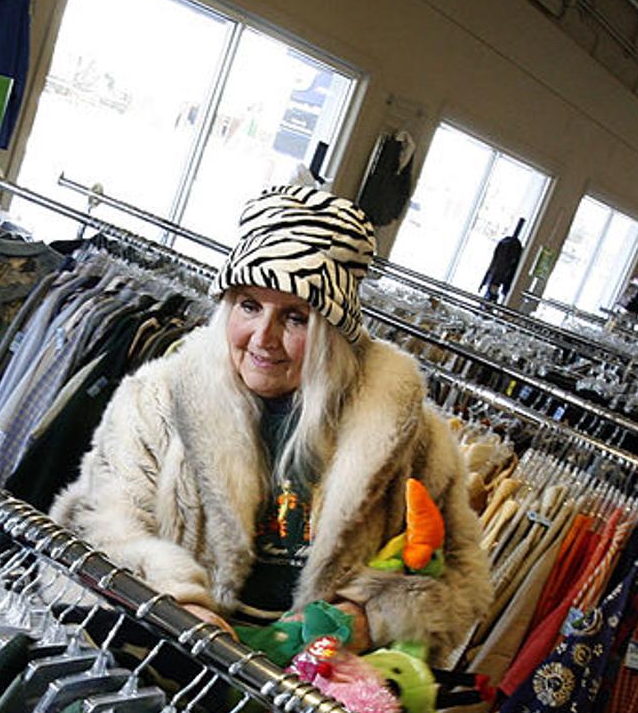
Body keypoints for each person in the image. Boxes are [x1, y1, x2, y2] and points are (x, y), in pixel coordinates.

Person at [50, 186, 489, 665]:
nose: (263, 338)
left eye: (295, 317)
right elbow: (106, 529)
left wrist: (367, 619)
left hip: (316, 687)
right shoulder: (156, 402)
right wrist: (179, 608)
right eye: (249, 306)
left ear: (332, 330)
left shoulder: (405, 433)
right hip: (162, 661)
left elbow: (459, 577)